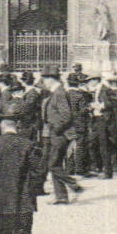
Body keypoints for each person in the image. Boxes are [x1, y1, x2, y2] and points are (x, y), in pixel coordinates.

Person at [40, 73, 85, 203]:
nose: (44, 82)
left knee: (52, 164)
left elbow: (66, 115)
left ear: (51, 79)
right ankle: (61, 197)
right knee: (56, 163)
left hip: (59, 134)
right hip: (57, 133)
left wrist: (56, 128)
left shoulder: (59, 93)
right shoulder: (57, 93)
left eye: (45, 79)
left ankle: (73, 185)